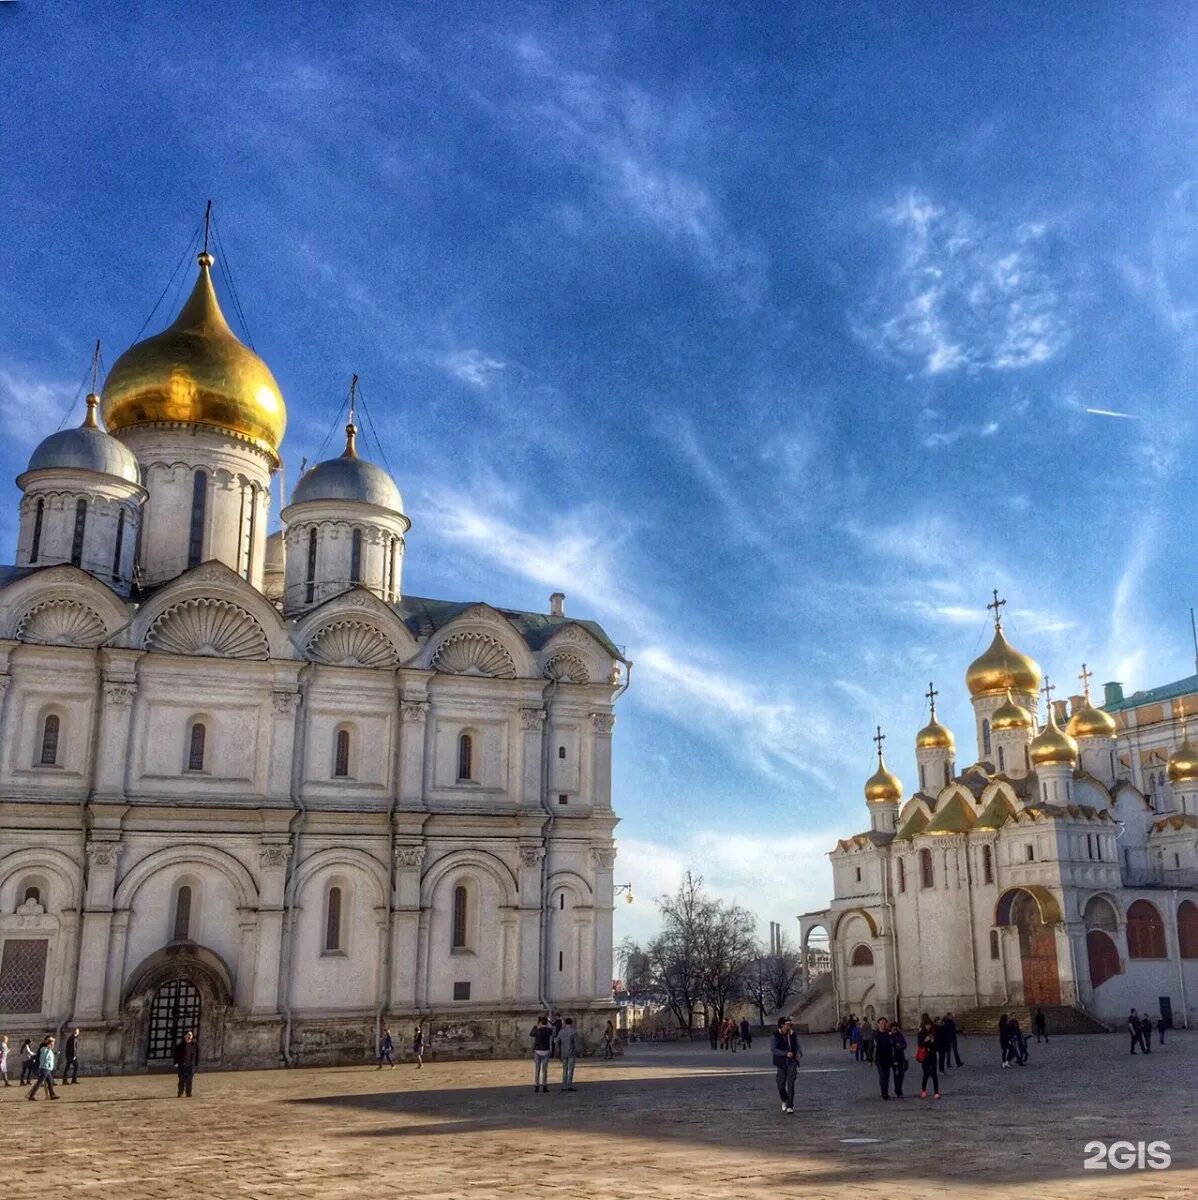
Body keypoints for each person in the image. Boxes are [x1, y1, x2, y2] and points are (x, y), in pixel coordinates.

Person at [770, 1016, 800, 1114]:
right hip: (781, 1063)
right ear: (782, 1025)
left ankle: (790, 1105)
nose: (789, 1025)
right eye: (787, 1024)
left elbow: (797, 1045)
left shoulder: (792, 1034)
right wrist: (785, 1053)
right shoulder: (775, 1035)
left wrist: (799, 1053)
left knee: (791, 1084)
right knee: (780, 1085)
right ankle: (784, 1099)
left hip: (792, 1062)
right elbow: (774, 1049)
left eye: (790, 1024)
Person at [28, 1036, 58, 1100]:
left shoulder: (48, 1049)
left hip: (47, 1068)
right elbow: (43, 1058)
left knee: (50, 1082)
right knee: (39, 1082)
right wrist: (43, 1066)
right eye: (52, 1044)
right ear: (48, 1044)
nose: (53, 1046)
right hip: (45, 1068)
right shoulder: (45, 1049)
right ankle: (31, 1096)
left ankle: (52, 1095)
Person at [530, 1014, 554, 1093]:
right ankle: (544, 1086)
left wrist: (536, 1025)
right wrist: (548, 1021)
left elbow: (531, 1034)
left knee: (537, 1070)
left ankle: (536, 1086)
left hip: (538, 1051)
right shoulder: (548, 1031)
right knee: (544, 1071)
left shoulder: (537, 1030)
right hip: (546, 1051)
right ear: (546, 1023)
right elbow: (552, 1029)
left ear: (540, 1023)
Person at [917, 1015, 939, 1098]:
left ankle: (936, 1092)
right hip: (925, 1055)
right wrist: (925, 1040)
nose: (928, 1026)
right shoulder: (921, 1033)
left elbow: (937, 1045)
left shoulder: (933, 1033)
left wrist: (933, 1041)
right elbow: (920, 1044)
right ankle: (923, 1090)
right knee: (926, 1074)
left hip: (932, 1055)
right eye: (926, 1025)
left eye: (929, 1025)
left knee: (934, 1074)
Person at [873, 1017, 895, 1100]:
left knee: (887, 1076)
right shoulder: (875, 1034)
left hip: (888, 1058)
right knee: (882, 1075)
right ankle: (884, 1093)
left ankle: (886, 1091)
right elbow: (871, 1046)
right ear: (878, 1024)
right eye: (881, 1023)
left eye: (884, 1023)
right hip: (879, 1058)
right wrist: (870, 1058)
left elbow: (892, 1044)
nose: (883, 1024)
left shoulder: (889, 1034)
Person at [174, 1030, 198, 1097]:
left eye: (191, 1035)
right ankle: (180, 1092)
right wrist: (176, 1062)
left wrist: (195, 1063)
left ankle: (188, 1092)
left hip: (191, 1065)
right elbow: (176, 1055)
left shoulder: (195, 1045)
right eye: (188, 1035)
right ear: (185, 1036)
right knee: (181, 1079)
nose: (190, 1036)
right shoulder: (180, 1046)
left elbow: (197, 1054)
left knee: (189, 1079)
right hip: (182, 1065)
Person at [559, 1017, 580, 1091]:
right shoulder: (574, 1031)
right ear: (571, 1023)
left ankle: (564, 1086)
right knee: (570, 1069)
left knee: (564, 1069)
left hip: (563, 1052)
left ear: (565, 1023)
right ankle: (569, 1085)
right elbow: (576, 1043)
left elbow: (558, 1042)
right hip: (571, 1052)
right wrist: (578, 1052)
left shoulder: (561, 1032)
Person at [890, 1021, 908, 1099]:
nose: (895, 1029)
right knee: (896, 1074)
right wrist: (895, 1045)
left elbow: (905, 1044)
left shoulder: (899, 1035)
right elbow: (889, 1045)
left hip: (901, 1056)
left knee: (901, 1074)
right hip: (894, 1057)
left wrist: (901, 1046)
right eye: (894, 1028)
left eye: (896, 1027)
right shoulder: (890, 1036)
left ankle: (899, 1089)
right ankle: (898, 1091)